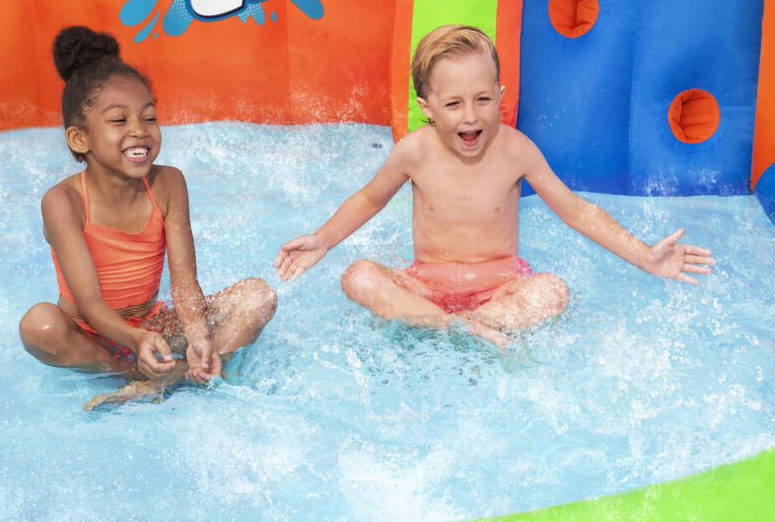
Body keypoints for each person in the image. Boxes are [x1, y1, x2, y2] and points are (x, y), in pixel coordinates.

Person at [274, 24, 714, 347]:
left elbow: (576, 210)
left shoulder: (516, 151)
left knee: (552, 291)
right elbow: (370, 198)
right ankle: (454, 327)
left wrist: (643, 255)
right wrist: (323, 240)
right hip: (425, 285)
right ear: (427, 108)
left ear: (500, 95)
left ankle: (479, 322)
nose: (471, 116)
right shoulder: (414, 152)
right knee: (358, 276)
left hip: (501, 286)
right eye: (453, 104)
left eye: (483, 99)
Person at [20, 26, 277, 407]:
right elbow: (89, 302)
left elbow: (184, 281)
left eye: (149, 117)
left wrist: (197, 337)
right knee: (39, 325)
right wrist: (135, 341)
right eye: (119, 121)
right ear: (79, 139)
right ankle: (131, 373)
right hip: (91, 334)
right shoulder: (63, 201)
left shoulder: (168, 183)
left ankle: (191, 369)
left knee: (258, 296)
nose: (139, 131)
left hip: (152, 325)